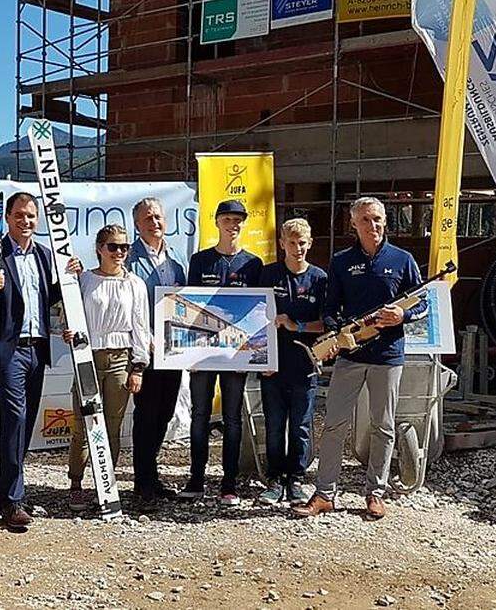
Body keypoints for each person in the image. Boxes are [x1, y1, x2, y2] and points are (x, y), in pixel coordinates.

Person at [292, 197, 427, 521]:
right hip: (350, 357)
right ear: (354, 224)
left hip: (388, 356)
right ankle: (325, 494)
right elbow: (330, 309)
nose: (374, 225)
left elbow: (422, 305)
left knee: (383, 426)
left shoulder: (403, 259)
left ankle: (375, 493)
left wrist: (402, 316)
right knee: (335, 423)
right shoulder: (341, 262)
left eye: (378, 219)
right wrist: (340, 335)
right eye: (366, 220)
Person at [0, 192, 79, 531]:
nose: (26, 221)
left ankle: (4, 488)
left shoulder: (47, 256)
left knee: (26, 422)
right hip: (9, 349)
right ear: (7, 216)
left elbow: (58, 299)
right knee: (14, 420)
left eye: (31, 215)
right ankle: (14, 499)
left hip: (39, 348)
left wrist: (74, 276)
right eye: (19, 215)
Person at [64, 224, 151, 513]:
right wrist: (68, 331)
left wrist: (137, 367)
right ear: (100, 248)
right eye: (113, 246)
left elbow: (140, 327)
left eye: (124, 247)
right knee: (81, 424)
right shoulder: (84, 279)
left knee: (111, 426)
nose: (119, 252)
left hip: (119, 360)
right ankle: (76, 483)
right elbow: (67, 315)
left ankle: (106, 485)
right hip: (86, 358)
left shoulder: (134, 284)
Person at [183, 199, 264, 506]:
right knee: (200, 415)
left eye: (238, 220)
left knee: (232, 418)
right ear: (217, 222)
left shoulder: (253, 264)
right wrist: (183, 352)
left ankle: (229, 483)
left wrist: (256, 354)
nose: (234, 225)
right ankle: (196, 478)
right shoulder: (200, 261)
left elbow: (258, 312)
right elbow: (187, 307)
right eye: (228, 219)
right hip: (203, 352)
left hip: (237, 354)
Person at [257, 218, 327, 507]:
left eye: (302, 243)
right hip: (272, 364)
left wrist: (295, 325)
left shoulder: (320, 279)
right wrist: (258, 358)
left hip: (304, 365)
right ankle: (275, 478)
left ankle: (296, 478)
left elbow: (325, 324)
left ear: (310, 244)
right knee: (274, 425)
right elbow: (253, 317)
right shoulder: (267, 274)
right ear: (281, 244)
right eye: (291, 242)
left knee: (300, 426)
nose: (297, 248)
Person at [125, 197, 188, 510]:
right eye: (148, 219)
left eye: (158, 217)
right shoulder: (129, 259)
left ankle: (152, 475)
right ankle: (142, 482)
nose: (155, 223)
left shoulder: (177, 258)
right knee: (146, 415)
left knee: (164, 413)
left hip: (173, 351)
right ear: (137, 225)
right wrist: (144, 340)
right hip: (144, 350)